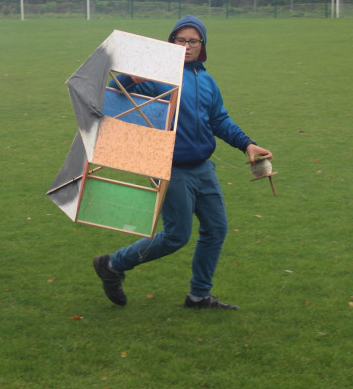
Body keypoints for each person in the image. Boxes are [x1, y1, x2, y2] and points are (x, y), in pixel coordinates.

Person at [94, 15, 271, 310]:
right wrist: (131, 78)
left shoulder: (207, 80)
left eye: (193, 41)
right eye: (181, 40)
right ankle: (113, 264)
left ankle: (199, 295)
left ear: (202, 46)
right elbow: (118, 95)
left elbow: (219, 119)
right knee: (176, 236)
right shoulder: (159, 75)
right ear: (171, 42)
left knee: (216, 229)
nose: (186, 46)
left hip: (203, 168)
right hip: (170, 168)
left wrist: (247, 144)